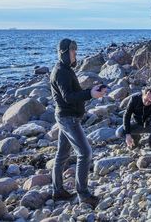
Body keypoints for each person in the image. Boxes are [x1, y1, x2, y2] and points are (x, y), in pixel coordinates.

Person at [50, 38, 107, 208]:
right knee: (85, 153)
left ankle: (58, 190)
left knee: (61, 155)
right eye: (73, 50)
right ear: (64, 52)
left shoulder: (65, 70)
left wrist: (91, 91)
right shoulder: (61, 71)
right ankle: (83, 195)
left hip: (66, 117)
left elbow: (73, 93)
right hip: (68, 119)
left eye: (76, 49)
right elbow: (68, 97)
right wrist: (90, 94)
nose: (76, 52)